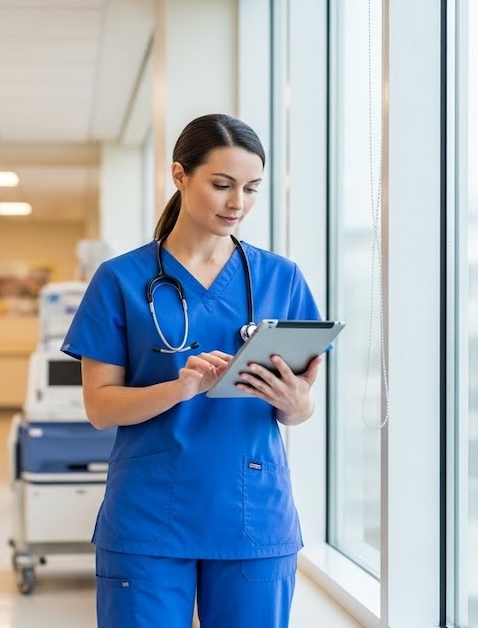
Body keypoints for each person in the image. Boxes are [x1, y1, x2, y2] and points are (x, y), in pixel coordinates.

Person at [60, 113, 324, 628]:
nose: (237, 203)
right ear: (180, 175)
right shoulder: (121, 279)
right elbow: (99, 406)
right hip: (150, 516)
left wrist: (298, 404)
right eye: (222, 185)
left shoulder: (280, 277)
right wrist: (181, 387)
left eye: (251, 188)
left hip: (252, 514)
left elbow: (299, 404)